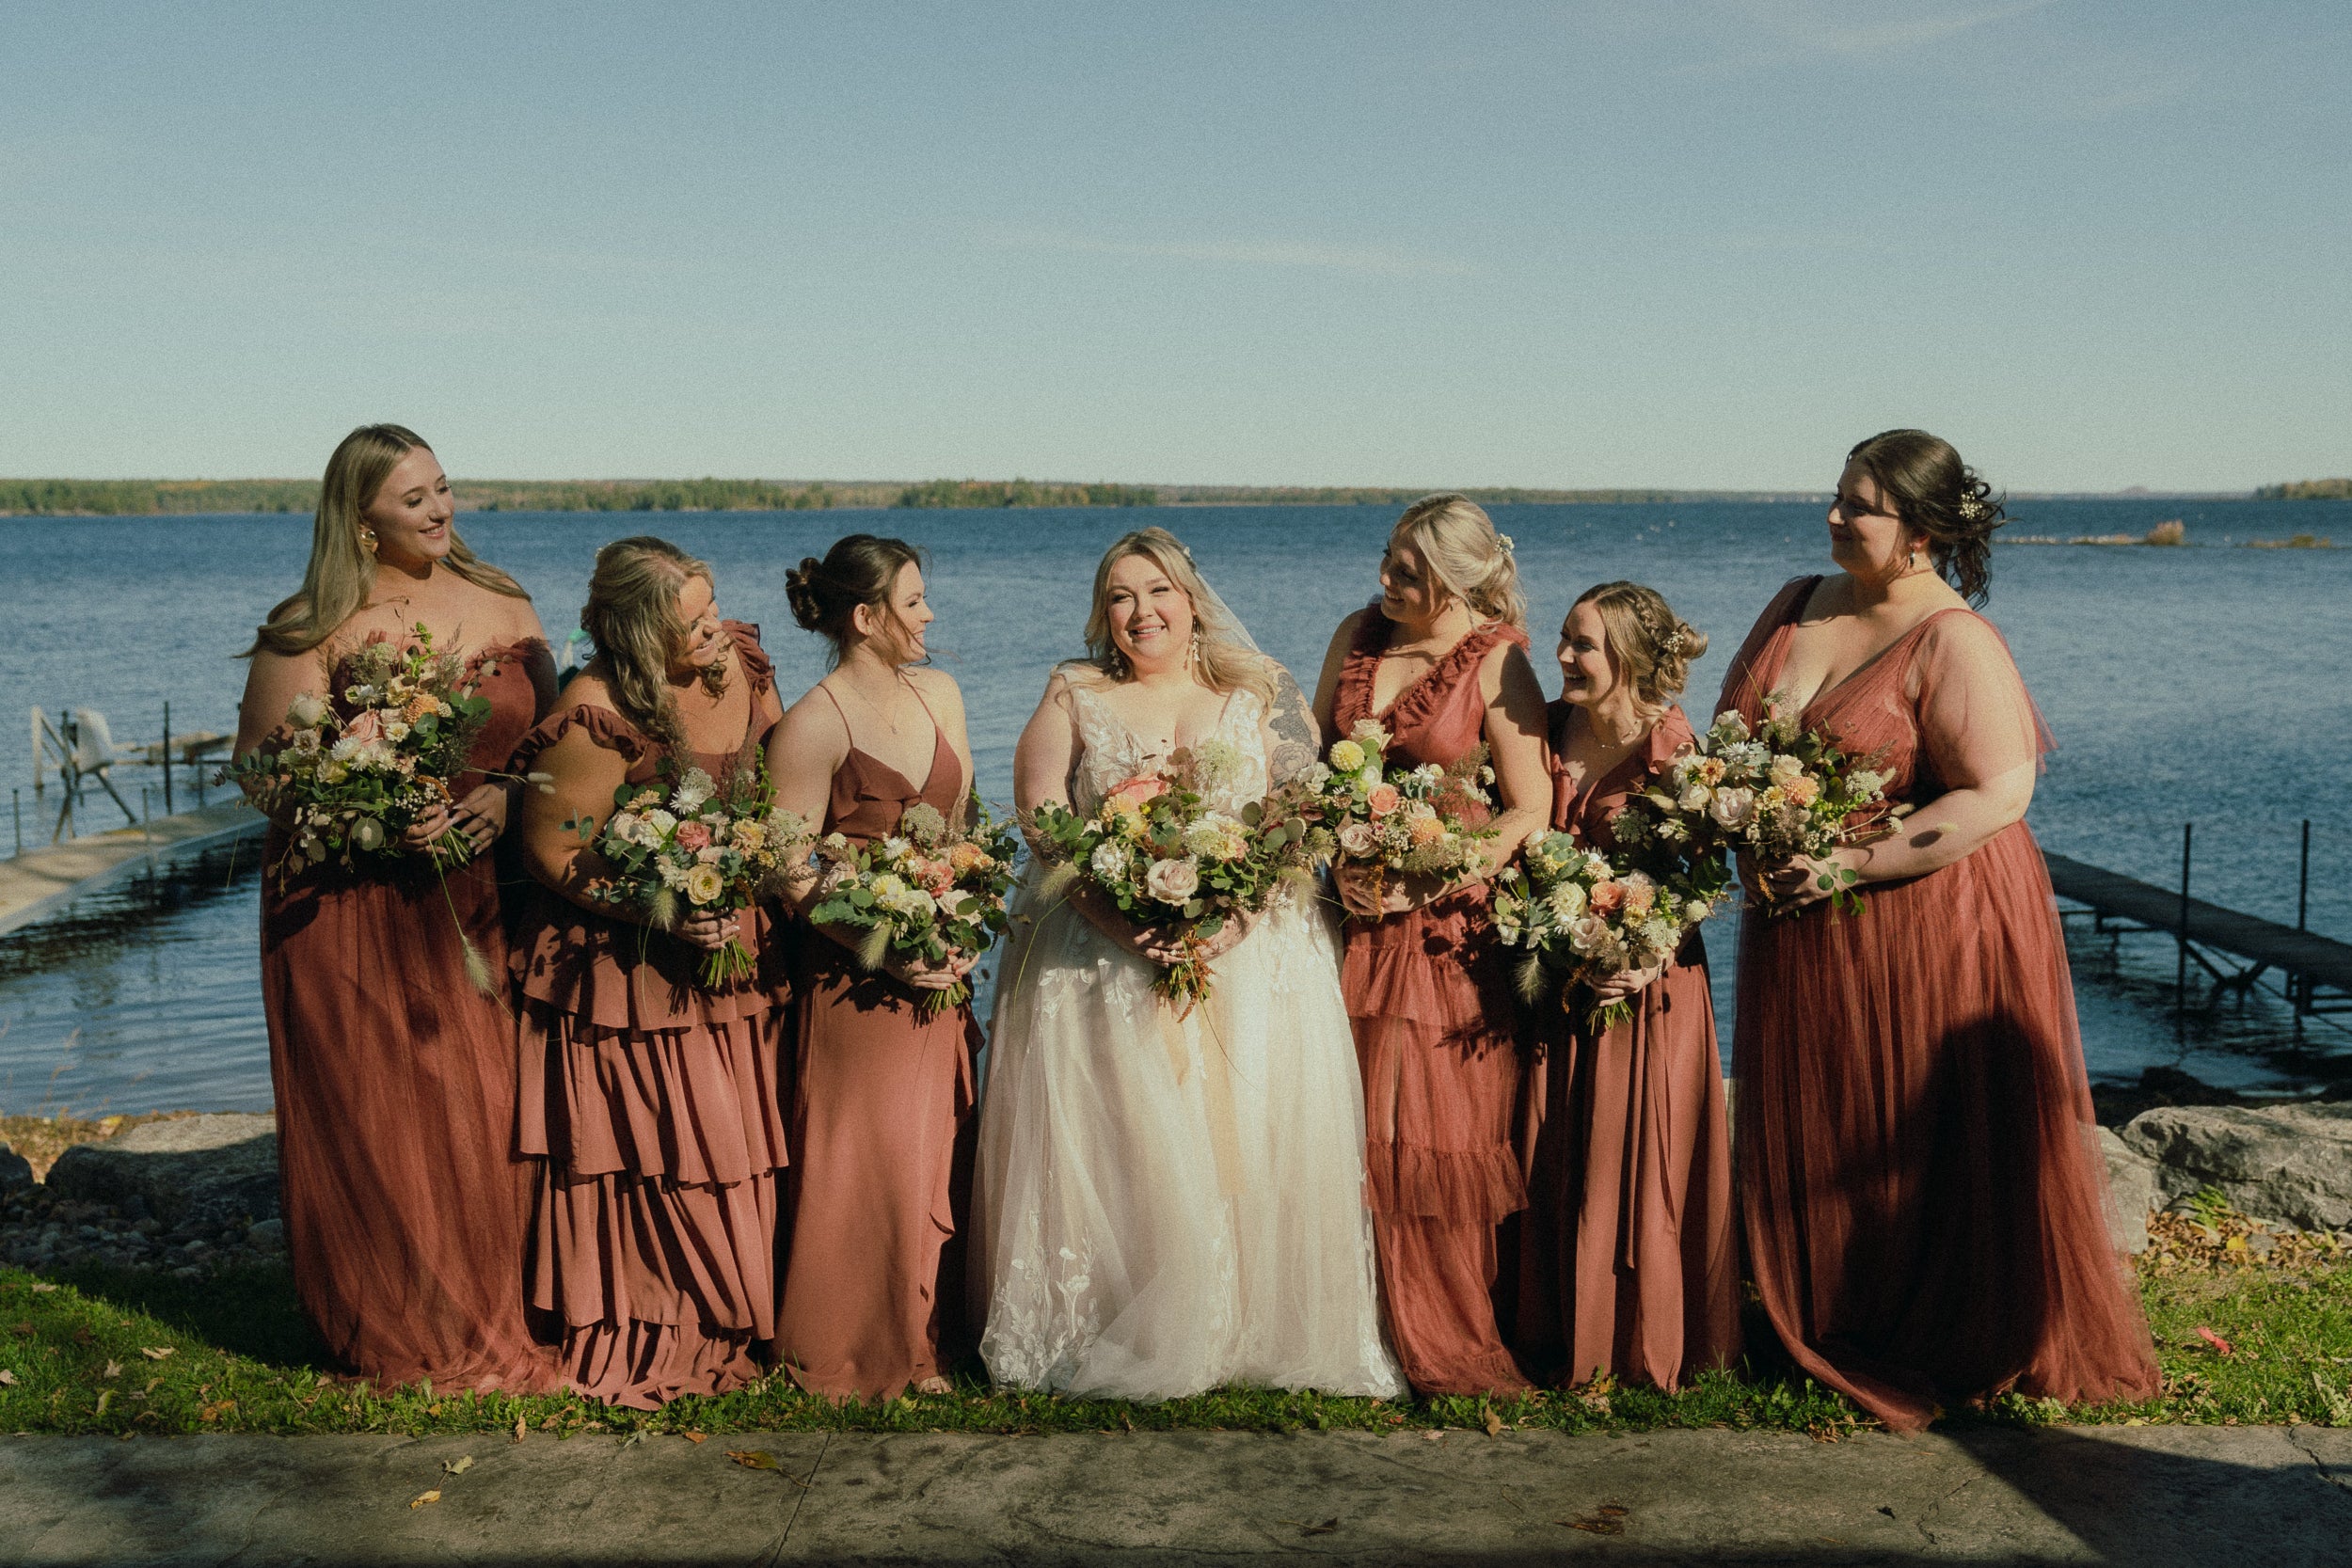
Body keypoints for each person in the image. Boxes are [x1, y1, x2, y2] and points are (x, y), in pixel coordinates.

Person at [1717, 429, 2158, 1432]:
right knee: (1829, 1105)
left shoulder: (1953, 638)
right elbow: (1732, 747)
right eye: (1835, 496)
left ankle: (1936, 1325)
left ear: (1920, 531)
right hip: (1803, 917)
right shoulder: (1793, 603)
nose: (1833, 516)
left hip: (1926, 915)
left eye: (1858, 505)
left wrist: (1846, 859)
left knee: (1914, 1124)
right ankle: (1833, 1301)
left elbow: (1999, 792)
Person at [973, 527, 1402, 1401]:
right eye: (1122, 597)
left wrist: (1232, 919)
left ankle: (1246, 1316)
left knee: (1242, 1127)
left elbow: (1295, 813)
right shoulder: (1077, 689)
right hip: (1104, 939)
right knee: (1130, 1132)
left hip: (1251, 947)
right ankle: (1123, 1314)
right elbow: (1042, 810)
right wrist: (1118, 917)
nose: (1143, 612)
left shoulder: (1259, 689)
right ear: (1104, 613)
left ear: (1192, 598)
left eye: (1158, 590)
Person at [235, 423, 556, 1391]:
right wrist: (358, 795)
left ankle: (509, 1301)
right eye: (413, 499)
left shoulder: (505, 598)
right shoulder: (310, 623)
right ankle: (397, 1327)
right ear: (360, 518)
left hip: (484, 891)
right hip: (352, 904)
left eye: (444, 488)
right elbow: (258, 771)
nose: (439, 510)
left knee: (489, 1101)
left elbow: (554, 736)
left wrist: (505, 796)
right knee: (382, 1114)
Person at [508, 537, 791, 1408]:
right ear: (634, 634)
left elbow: (779, 790)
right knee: (665, 1156)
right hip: (630, 971)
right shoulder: (595, 711)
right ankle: (666, 1320)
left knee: (741, 1143)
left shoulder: (740, 659)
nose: (714, 630)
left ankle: (761, 1313)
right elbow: (553, 852)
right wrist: (656, 905)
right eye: (691, 623)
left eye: (712, 607)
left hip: (742, 950)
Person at [1310, 494, 1549, 1397]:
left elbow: (1531, 809)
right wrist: (1335, 844)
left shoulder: (1496, 659)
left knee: (1430, 1130)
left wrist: (1435, 870)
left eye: (1409, 571)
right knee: (1344, 1116)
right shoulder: (1356, 635)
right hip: (1350, 913)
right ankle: (1346, 1324)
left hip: (1444, 933)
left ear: (1456, 577)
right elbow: (1315, 759)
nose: (1386, 581)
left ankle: (1437, 1325)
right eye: (1388, 559)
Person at [766, 536, 982, 1401]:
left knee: (941, 1145)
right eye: (915, 600)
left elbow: (962, 830)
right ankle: (861, 1346)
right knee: (870, 1158)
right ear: (866, 617)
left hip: (941, 965)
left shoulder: (942, 693)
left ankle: (937, 1334)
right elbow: (787, 868)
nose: (929, 614)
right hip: (856, 978)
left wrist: (958, 914)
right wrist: (884, 948)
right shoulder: (814, 723)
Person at [1514, 582, 1739, 1391]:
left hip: (1646, 986)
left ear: (1632, 661)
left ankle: (1635, 1340)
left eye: (1584, 646)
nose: (1564, 657)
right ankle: (1545, 1324)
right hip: (1554, 977)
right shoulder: (1546, 722)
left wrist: (1647, 951)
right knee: (1551, 1145)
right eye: (1566, 639)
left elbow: (1713, 870)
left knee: (1628, 1152)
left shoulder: (1672, 746)